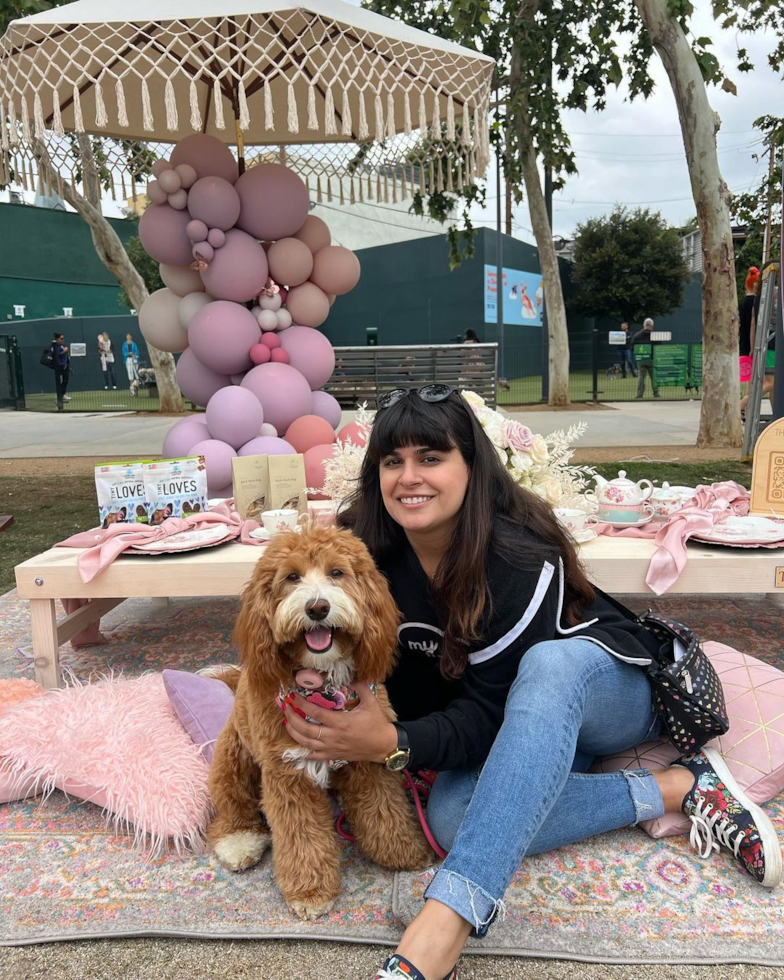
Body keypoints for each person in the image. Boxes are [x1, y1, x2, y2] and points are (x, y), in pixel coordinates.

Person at [279, 386, 780, 980]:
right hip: (506, 716)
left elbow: (491, 712)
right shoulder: (364, 549)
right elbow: (408, 678)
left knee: (549, 663)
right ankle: (675, 787)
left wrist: (395, 744)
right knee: (454, 817)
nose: (409, 478)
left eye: (431, 458)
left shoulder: (518, 555)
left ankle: (450, 914)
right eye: (393, 461)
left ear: (473, 465)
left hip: (605, 690)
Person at [633, 317, 659, 398]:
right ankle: (656, 393)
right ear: (652, 326)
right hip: (652, 358)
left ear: (644, 325)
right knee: (654, 377)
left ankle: (640, 394)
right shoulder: (655, 335)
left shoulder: (637, 335)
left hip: (641, 358)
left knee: (641, 376)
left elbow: (633, 346)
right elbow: (658, 346)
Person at [739, 266, 760, 358]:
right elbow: (753, 323)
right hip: (757, 343)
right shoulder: (759, 301)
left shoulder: (741, 303)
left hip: (743, 343)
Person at [52, 332, 70, 411]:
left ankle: (63, 395)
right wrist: (64, 352)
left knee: (65, 381)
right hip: (60, 367)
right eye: (61, 338)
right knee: (61, 381)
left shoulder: (61, 346)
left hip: (65, 365)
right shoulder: (55, 347)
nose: (63, 340)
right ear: (57, 339)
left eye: (63, 338)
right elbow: (55, 355)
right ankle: (59, 397)